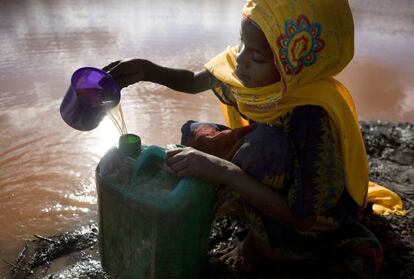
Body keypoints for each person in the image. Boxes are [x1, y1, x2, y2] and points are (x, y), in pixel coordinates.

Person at [103, 0, 404, 277]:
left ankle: (262, 246)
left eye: (257, 56)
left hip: (306, 220)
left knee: (261, 148)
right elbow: (195, 81)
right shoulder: (256, 72)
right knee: (197, 134)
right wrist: (146, 69)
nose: (242, 61)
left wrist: (222, 171)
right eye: (242, 44)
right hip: (271, 167)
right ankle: (249, 206)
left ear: (291, 66)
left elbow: (303, 217)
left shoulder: (310, 116)